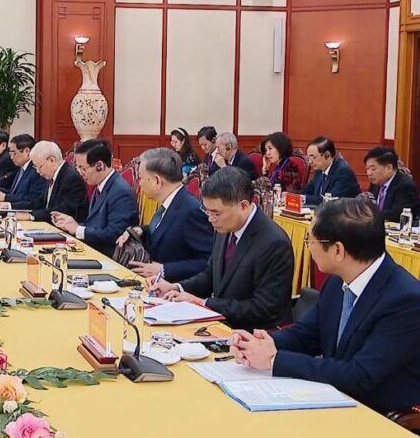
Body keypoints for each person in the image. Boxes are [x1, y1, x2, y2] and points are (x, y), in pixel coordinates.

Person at [230, 199, 420, 415]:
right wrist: (259, 344)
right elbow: (307, 335)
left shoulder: (405, 300)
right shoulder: (338, 280)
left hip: (377, 413)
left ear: (337, 250)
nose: (308, 247)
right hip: (335, 395)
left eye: (310, 240)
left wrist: (275, 360)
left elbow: (360, 375)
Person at [151, 167, 294, 330]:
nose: (210, 219)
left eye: (216, 213)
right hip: (222, 326)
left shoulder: (273, 242)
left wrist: (204, 304)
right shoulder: (225, 227)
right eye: (208, 212)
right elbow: (211, 275)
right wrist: (176, 287)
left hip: (255, 334)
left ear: (243, 206)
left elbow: (263, 309)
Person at [118, 148, 213, 282]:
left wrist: (164, 269)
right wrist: (140, 230)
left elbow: (208, 262)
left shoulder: (191, 210)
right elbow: (165, 230)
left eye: (141, 178)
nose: (139, 183)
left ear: (157, 181)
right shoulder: (170, 202)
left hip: (175, 288)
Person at [51, 139, 137, 256]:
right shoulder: (101, 185)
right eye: (77, 168)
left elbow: (115, 234)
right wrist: (72, 224)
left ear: (100, 165)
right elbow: (96, 225)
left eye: (83, 168)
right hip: (93, 250)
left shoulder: (120, 192)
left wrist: (78, 229)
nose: (80, 173)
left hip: (108, 257)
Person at [8, 140, 88, 224]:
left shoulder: (71, 178)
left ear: (52, 160)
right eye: (35, 167)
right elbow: (39, 203)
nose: (38, 171)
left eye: (39, 167)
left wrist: (31, 216)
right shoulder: (51, 175)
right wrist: (10, 206)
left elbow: (62, 211)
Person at [0, 134, 47, 206]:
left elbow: (33, 199)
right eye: (10, 153)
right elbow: (14, 193)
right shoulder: (21, 168)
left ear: (27, 151)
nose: (11, 157)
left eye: (14, 153)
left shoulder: (37, 170)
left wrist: (5, 198)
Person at [298, 136, 360, 205]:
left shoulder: (343, 172)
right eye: (308, 158)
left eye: (313, 157)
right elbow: (308, 190)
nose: (310, 162)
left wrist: (303, 199)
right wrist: (293, 196)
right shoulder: (319, 169)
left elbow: (331, 201)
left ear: (327, 155)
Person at [364, 146, 419, 223]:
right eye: (367, 168)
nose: (369, 173)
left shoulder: (406, 186)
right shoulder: (376, 183)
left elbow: (396, 215)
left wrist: (366, 214)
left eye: (373, 169)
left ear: (389, 168)